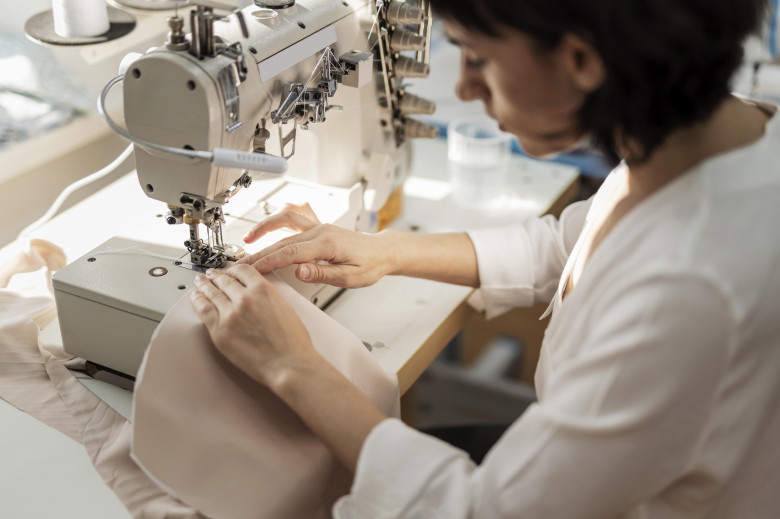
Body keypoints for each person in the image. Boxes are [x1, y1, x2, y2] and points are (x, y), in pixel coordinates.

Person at [189, 0, 780, 516]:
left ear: (581, 60)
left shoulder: (688, 291)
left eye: (477, 56)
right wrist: (384, 251)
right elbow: (569, 245)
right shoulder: (721, 134)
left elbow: (481, 511)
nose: (467, 88)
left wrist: (290, 364)